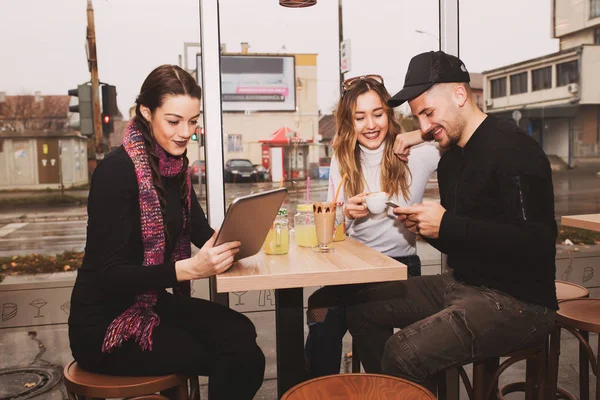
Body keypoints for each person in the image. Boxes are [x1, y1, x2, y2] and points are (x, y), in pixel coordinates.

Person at [345, 51, 558, 392]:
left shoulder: (514, 149)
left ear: (460, 95)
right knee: (361, 307)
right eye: (418, 118)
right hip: (463, 284)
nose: (425, 128)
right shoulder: (452, 160)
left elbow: (537, 242)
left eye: (428, 113)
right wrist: (427, 227)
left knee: (403, 352)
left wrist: (448, 226)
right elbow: (462, 238)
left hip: (521, 303)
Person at [68, 65, 265, 399]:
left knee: (241, 331)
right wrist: (189, 269)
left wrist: (245, 235)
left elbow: (201, 230)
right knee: (238, 355)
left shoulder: (175, 168)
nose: (185, 131)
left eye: (193, 121)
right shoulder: (116, 172)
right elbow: (110, 275)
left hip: (150, 303)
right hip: (104, 325)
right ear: (146, 112)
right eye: (174, 121)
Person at [304, 74, 440, 377]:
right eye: (360, 117)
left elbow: (456, 134)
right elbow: (328, 223)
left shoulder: (415, 154)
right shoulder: (342, 158)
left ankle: (386, 387)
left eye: (378, 114)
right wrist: (347, 215)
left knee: (364, 317)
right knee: (319, 311)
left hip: (399, 266)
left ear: (389, 115)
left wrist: (416, 136)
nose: (370, 125)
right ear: (348, 121)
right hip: (354, 267)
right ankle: (321, 391)